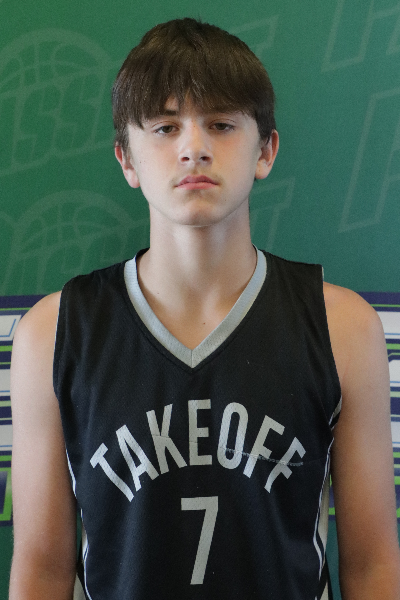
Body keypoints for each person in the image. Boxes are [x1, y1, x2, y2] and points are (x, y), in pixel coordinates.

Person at [9, 17, 400, 600]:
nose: (193, 147)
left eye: (221, 124)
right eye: (165, 127)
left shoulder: (341, 327)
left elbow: (372, 566)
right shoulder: (53, 333)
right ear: (126, 159)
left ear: (265, 150)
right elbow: (41, 569)